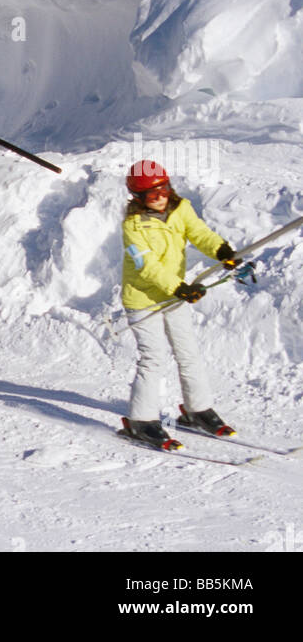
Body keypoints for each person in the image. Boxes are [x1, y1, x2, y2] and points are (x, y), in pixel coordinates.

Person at [121, 159, 239, 447]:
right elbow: (146, 266)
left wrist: (220, 249)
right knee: (154, 357)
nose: (161, 197)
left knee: (189, 352)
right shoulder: (133, 227)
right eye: (152, 193)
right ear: (139, 198)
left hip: (174, 295)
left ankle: (197, 410)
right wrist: (179, 288)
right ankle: (141, 419)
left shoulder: (180, 208)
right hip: (143, 300)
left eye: (164, 189)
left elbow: (199, 233)